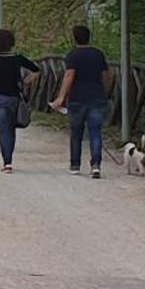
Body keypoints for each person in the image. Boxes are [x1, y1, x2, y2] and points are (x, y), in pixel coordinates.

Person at [51, 25, 113, 179]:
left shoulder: (73, 55)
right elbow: (107, 75)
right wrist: (105, 91)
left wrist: (61, 97)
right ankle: (96, 165)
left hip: (77, 98)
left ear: (74, 38)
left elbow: (69, 76)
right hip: (97, 97)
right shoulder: (98, 54)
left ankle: (75, 164)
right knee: (95, 132)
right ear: (89, 37)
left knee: (76, 132)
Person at [0, 29, 40, 173]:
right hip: (14, 97)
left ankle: (7, 163)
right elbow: (36, 70)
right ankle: (9, 160)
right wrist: (27, 81)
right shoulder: (17, 58)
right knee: (11, 130)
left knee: (3, 130)